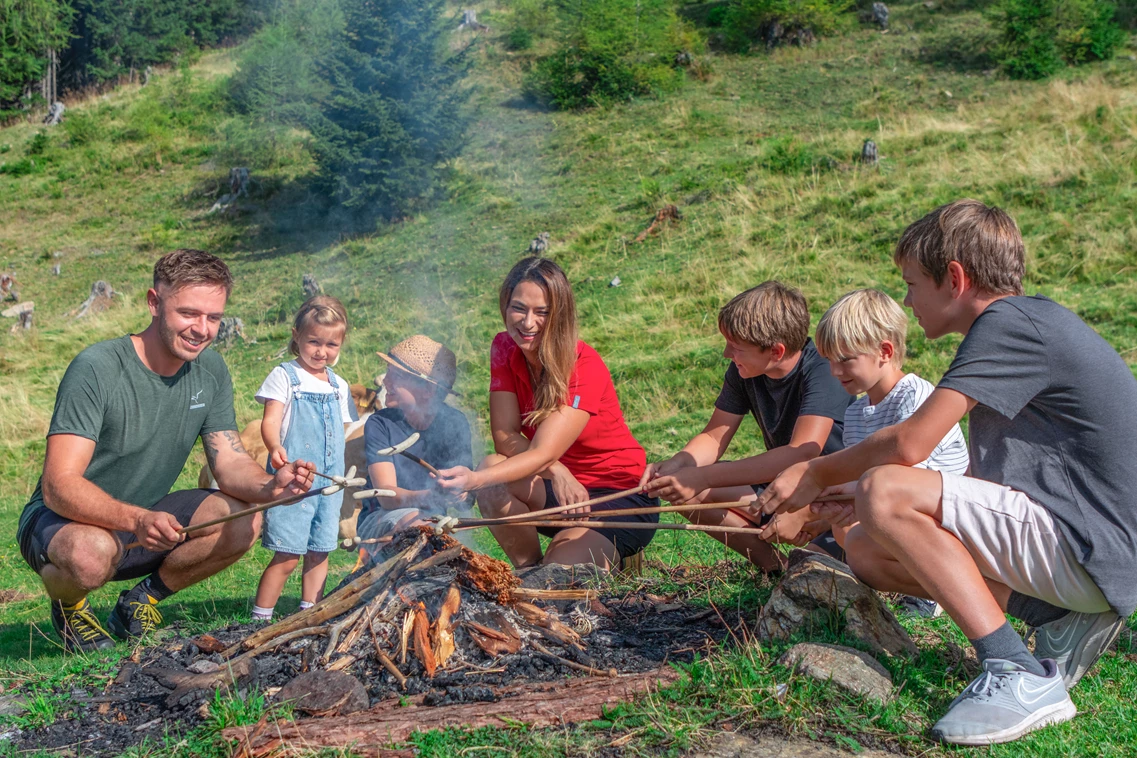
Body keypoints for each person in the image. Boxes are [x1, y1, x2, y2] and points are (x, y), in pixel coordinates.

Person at [757, 199, 1137, 745]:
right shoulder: (1027, 326)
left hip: (1096, 548)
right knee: (865, 547)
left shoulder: (1008, 325)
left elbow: (910, 444)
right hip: (1090, 549)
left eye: (911, 284)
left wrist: (817, 474)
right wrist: (843, 500)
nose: (908, 300)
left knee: (885, 488)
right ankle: (1056, 615)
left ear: (954, 279)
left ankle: (1017, 673)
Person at [16, 249, 314, 652]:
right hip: (61, 523)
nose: (202, 329)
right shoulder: (98, 367)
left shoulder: (210, 371)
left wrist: (271, 484)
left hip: (147, 520)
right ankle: (69, 605)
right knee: (91, 554)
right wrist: (136, 518)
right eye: (189, 313)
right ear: (154, 303)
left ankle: (142, 600)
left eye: (214, 317)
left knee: (242, 522)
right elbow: (58, 485)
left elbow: (229, 463)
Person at [437, 257, 657, 569]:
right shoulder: (504, 347)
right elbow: (504, 437)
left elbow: (542, 452)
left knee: (559, 572)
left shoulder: (584, 365)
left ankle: (578, 559)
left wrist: (474, 479)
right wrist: (558, 471)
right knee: (494, 473)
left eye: (542, 312)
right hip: (558, 490)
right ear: (505, 304)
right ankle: (528, 571)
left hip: (618, 496)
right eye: (519, 308)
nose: (527, 323)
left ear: (560, 314)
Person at [640, 281, 851, 572]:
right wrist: (678, 466)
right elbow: (715, 435)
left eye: (736, 348)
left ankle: (810, 563)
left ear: (776, 352)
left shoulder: (823, 371)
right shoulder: (745, 369)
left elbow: (800, 453)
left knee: (814, 572)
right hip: (782, 488)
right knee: (688, 495)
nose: (727, 354)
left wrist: (703, 476)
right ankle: (776, 570)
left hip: (836, 499)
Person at [799, 288, 968, 616]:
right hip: (898, 512)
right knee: (843, 528)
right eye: (830, 361)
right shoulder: (855, 414)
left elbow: (914, 479)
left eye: (845, 360)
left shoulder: (915, 397)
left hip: (943, 519)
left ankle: (931, 590)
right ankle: (894, 583)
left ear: (885, 351)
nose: (835, 372)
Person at [250, 296, 356, 622]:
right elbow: (271, 420)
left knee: (320, 549)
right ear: (297, 336)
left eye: (330, 344)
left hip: (329, 482)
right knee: (289, 552)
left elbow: (342, 429)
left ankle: (312, 613)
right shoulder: (285, 376)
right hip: (294, 476)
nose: (321, 351)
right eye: (313, 341)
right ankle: (260, 617)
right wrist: (273, 446)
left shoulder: (340, 385)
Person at [356, 335, 473, 545]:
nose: (385, 381)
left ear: (429, 389)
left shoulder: (455, 423)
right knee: (423, 530)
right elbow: (386, 496)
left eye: (396, 376)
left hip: (434, 520)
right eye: (387, 373)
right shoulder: (380, 423)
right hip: (380, 519)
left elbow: (468, 496)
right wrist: (430, 496)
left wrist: (461, 494)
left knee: (434, 536)